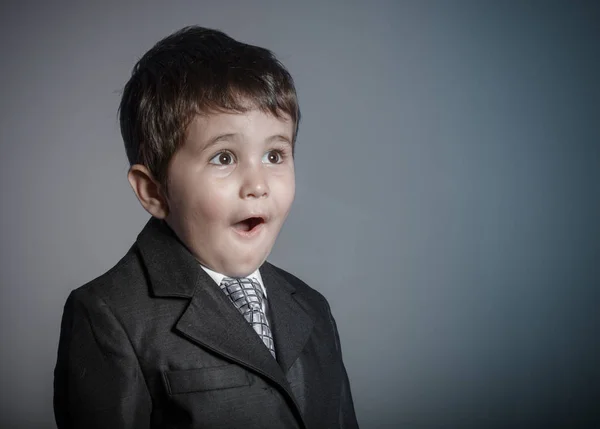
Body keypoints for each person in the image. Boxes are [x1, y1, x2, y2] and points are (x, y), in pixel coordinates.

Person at [53, 26, 359, 429]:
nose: (258, 185)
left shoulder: (312, 307)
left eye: (274, 154)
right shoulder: (108, 317)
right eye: (224, 158)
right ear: (153, 192)